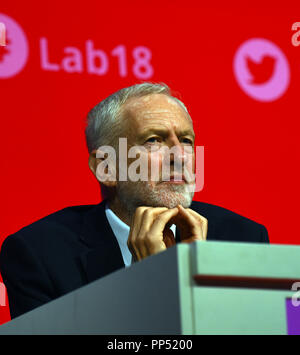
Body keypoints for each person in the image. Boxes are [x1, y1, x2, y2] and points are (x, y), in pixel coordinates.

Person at [0, 83, 269, 319]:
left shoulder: (243, 238)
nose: (179, 155)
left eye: (186, 140)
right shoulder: (39, 253)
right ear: (106, 166)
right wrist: (149, 282)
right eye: (154, 140)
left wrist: (197, 282)